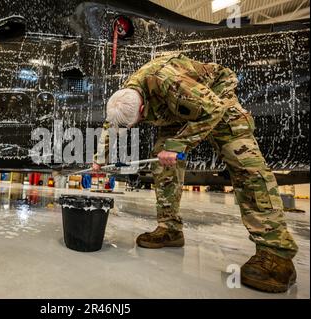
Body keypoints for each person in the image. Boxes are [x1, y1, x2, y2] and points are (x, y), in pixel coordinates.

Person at [93, 53, 298, 293]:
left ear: (142, 107)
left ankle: (276, 255)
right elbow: (112, 125)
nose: (135, 126)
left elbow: (212, 110)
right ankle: (169, 229)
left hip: (215, 98)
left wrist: (179, 145)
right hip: (174, 109)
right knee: (162, 164)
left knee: (244, 162)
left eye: (137, 121)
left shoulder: (171, 81)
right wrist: (99, 159)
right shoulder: (125, 95)